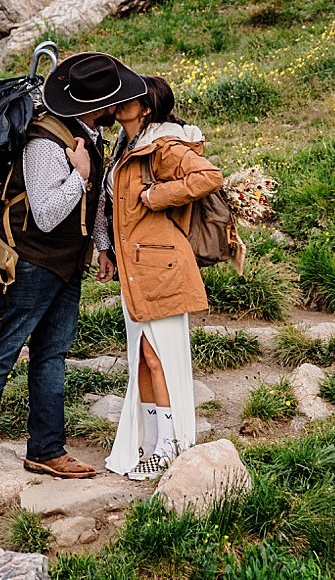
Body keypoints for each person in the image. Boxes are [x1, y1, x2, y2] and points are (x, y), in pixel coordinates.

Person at [0, 52, 147, 485]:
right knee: (1, 351)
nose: (119, 108)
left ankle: (46, 450)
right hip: (30, 263)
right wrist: (78, 174)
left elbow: (94, 199)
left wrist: (101, 246)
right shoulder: (45, 142)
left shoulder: (89, 136)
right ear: (97, 106)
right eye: (113, 101)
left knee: (52, 356)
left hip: (65, 264)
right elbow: (45, 213)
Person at [94, 74, 223, 480]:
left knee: (157, 355)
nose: (118, 103)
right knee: (143, 359)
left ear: (146, 108)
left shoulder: (163, 145)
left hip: (161, 265)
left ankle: (169, 444)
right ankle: (151, 442)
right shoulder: (125, 145)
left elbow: (208, 176)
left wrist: (156, 197)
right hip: (135, 265)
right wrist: (107, 250)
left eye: (128, 99)